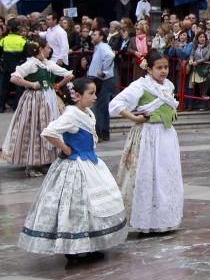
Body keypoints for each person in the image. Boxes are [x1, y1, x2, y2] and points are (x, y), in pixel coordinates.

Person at [18, 77, 128, 266]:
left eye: (95, 93)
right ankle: (73, 249)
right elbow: (48, 132)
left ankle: (89, 244)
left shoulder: (84, 112)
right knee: (75, 206)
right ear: (77, 96)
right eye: (91, 93)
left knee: (89, 206)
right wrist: (65, 148)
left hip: (89, 162)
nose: (95, 97)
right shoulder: (71, 115)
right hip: (75, 166)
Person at [109, 50, 184, 233]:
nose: (164, 71)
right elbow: (116, 104)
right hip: (148, 136)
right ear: (149, 69)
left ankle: (164, 219)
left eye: (166, 67)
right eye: (159, 68)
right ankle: (147, 222)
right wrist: (134, 118)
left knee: (165, 176)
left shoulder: (169, 85)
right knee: (148, 175)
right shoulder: (140, 86)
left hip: (166, 135)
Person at [1, 38, 72, 176]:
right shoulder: (31, 64)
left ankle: (46, 160)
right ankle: (33, 163)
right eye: (48, 47)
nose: (50, 50)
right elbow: (14, 78)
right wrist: (32, 85)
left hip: (49, 98)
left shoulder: (48, 63)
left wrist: (57, 85)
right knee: (34, 128)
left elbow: (68, 74)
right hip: (35, 99)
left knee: (49, 126)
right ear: (41, 49)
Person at [86, 28, 115, 141]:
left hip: (103, 80)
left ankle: (101, 131)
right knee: (99, 106)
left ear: (101, 37)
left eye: (95, 34)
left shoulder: (103, 47)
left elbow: (110, 56)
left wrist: (104, 71)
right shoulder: (98, 47)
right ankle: (102, 131)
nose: (92, 36)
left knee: (100, 106)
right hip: (98, 79)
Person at [0, 19, 27, 113]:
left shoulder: (3, 40)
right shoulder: (23, 41)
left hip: (6, 67)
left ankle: (1, 106)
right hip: (18, 66)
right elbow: (27, 55)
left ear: (8, 28)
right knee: (18, 86)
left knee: (4, 86)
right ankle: (17, 106)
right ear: (18, 29)